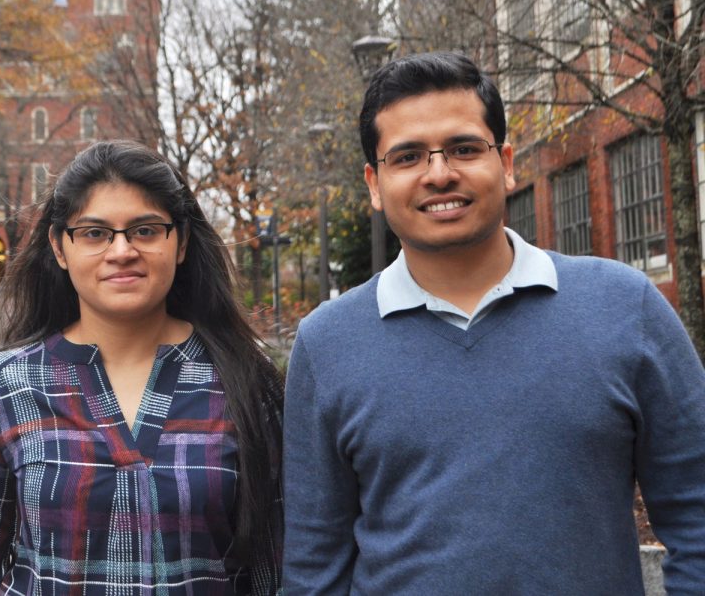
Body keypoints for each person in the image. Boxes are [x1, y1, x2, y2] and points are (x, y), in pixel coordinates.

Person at [283, 51, 705, 593]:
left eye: (463, 148)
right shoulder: (327, 345)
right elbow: (314, 568)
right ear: (374, 182)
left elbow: (697, 512)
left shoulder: (626, 308)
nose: (440, 174)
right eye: (408, 157)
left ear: (505, 163)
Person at [0, 140, 284, 595]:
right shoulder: (7, 386)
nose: (121, 250)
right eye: (94, 233)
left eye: (146, 230)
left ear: (182, 241)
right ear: (59, 247)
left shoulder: (246, 379)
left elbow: (279, 570)